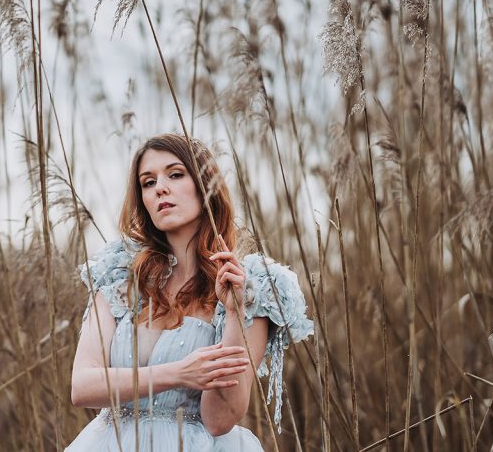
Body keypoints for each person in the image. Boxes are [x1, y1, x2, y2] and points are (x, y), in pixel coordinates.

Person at [65, 132, 314, 451]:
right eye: (148, 182)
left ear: (205, 185)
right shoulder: (121, 276)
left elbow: (220, 419)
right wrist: (179, 373)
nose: (161, 188)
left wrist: (236, 312)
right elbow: (82, 387)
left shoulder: (251, 284)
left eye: (175, 174)